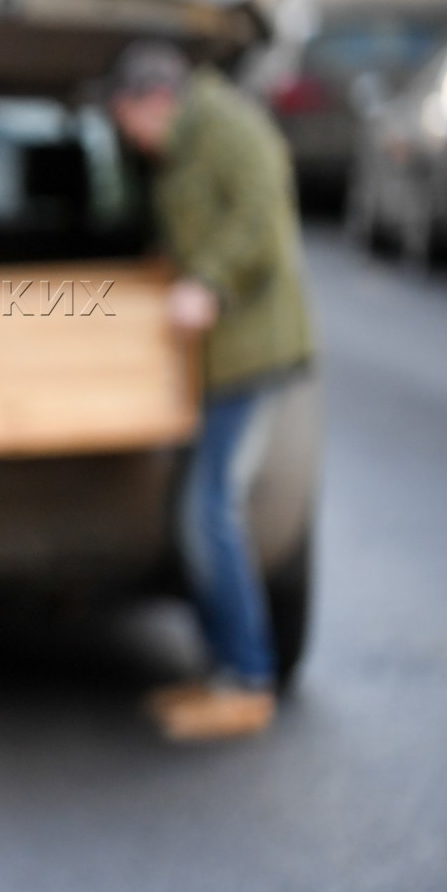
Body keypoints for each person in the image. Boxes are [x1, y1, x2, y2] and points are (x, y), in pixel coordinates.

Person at [106, 39, 315, 742]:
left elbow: (261, 222)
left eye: (127, 121)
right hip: (219, 359)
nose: (130, 138)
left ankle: (247, 680)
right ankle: (224, 669)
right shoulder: (186, 143)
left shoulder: (227, 125)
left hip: (252, 353)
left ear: (154, 100)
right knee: (196, 509)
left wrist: (209, 283)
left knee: (210, 512)